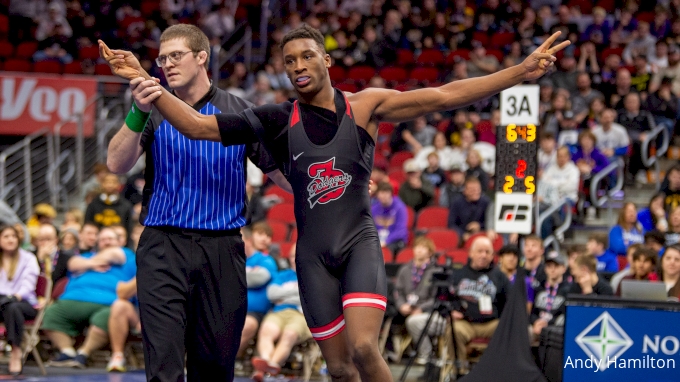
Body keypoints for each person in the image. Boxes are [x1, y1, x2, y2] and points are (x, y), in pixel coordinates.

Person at [99, 25, 568, 382]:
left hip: (353, 242)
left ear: (326, 59)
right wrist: (146, 82)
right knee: (340, 370)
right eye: (289, 60)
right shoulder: (275, 118)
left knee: (365, 348)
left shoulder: (364, 106)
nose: (299, 65)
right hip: (308, 256)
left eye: (307, 56)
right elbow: (199, 127)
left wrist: (519, 73)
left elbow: (444, 96)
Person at [103, 24, 291, 382]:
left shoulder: (239, 110)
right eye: (161, 58)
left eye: (176, 55)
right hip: (162, 246)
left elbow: (281, 174)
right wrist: (137, 111)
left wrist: (337, 181)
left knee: (215, 367)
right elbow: (115, 163)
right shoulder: (151, 107)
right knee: (163, 366)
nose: (167, 64)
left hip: (221, 250)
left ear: (202, 57)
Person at [42, 227, 136, 369]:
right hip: (72, 298)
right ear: (97, 243)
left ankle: (84, 353)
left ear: (120, 241)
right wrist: (93, 263)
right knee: (51, 314)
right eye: (103, 240)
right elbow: (72, 263)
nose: (106, 242)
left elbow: (117, 255)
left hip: (109, 302)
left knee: (105, 318)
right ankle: (67, 352)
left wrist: (86, 265)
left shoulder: (128, 255)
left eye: (110, 239)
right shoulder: (87, 256)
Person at [448, 236, 509, 374]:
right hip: (465, 323)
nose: (483, 255)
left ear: (493, 255)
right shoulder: (458, 274)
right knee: (453, 330)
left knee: (507, 329)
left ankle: (497, 372)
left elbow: (509, 304)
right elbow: (447, 298)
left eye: (487, 252)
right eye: (480, 251)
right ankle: (459, 372)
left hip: (491, 324)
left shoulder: (500, 276)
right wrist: (451, 311)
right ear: (471, 253)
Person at [251, 244, 312, 381]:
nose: (293, 259)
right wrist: (297, 293)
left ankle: (268, 369)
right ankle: (266, 364)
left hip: (300, 315)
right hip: (278, 313)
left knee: (289, 334)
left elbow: (311, 297)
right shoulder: (283, 275)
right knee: (266, 330)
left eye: (296, 256)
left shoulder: (312, 277)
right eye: (291, 256)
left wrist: (283, 295)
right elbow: (271, 294)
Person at [0, 224, 40, 376]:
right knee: (6, 305)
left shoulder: (28, 258)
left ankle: (16, 352)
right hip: (1, 302)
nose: (10, 240)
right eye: (6, 236)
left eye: (13, 236)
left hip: (23, 303)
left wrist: (13, 297)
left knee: (13, 307)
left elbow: (28, 286)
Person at [395, 237, 439, 365]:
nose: (419, 250)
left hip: (427, 311)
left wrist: (421, 309)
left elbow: (435, 298)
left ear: (430, 252)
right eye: (417, 247)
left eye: (423, 248)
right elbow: (398, 292)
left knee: (413, 322)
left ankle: (427, 354)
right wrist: (401, 305)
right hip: (406, 309)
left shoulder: (436, 271)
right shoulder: (405, 270)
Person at [238, 223, 278, 358]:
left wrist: (231, 277)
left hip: (255, 313)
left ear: (248, 240)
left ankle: (221, 364)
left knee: (247, 325)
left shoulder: (266, 260)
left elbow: (259, 278)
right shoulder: (236, 260)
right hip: (231, 309)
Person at [529, 250, 569, 343]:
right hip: (536, 326)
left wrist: (547, 323)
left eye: (556, 266)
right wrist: (535, 322)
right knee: (524, 332)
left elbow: (565, 315)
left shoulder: (568, 290)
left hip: (556, 328)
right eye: (549, 266)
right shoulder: (538, 288)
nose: (552, 269)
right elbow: (532, 312)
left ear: (563, 268)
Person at [106, 277, 140, 372]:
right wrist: (144, 273)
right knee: (119, 305)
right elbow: (122, 293)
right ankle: (118, 356)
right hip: (139, 316)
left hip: (168, 314)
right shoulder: (133, 263)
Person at [371, 182, 408, 256]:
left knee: (385, 251)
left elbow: (400, 231)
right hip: (378, 240)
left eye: (386, 193)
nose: (384, 196)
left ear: (391, 194)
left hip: (395, 241)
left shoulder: (400, 207)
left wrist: (386, 241)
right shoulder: (374, 208)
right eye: (381, 193)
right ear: (377, 195)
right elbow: (371, 228)